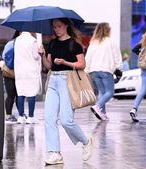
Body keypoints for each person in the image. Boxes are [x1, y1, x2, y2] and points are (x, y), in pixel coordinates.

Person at [40, 18, 93, 165]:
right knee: (49, 118)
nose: (56, 29)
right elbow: (49, 66)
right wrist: (42, 56)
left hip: (67, 81)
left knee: (66, 120)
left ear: (66, 26)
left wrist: (65, 62)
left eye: (59, 26)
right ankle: (54, 153)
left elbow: (82, 64)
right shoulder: (52, 43)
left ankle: (86, 141)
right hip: (53, 81)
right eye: (54, 27)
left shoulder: (74, 44)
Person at [85, 22, 123, 121]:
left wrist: (87, 70)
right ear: (108, 30)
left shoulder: (93, 42)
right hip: (106, 70)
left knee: (102, 92)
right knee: (110, 92)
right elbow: (117, 57)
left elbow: (88, 57)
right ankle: (97, 106)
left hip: (94, 71)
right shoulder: (111, 41)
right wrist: (119, 69)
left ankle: (103, 113)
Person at [14, 32, 42, 124]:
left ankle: (21, 116)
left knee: (20, 93)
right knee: (31, 93)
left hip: (19, 70)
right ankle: (30, 117)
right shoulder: (33, 41)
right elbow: (36, 56)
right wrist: (40, 52)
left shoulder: (17, 40)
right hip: (30, 70)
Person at [129, 24, 146, 122]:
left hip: (145, 68)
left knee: (142, 90)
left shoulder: (144, 40)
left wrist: (141, 55)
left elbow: (134, 49)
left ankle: (134, 108)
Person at [2, 30, 20, 122]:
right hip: (19, 72)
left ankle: (8, 115)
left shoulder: (10, 43)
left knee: (10, 95)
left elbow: (4, 56)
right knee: (19, 95)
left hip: (8, 72)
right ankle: (21, 114)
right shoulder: (22, 44)